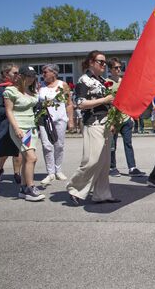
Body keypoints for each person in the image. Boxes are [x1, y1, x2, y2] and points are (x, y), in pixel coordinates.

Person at [67, 50, 120, 205]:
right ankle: (74, 188)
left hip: (105, 122)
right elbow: (80, 103)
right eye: (100, 62)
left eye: (105, 62)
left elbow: (109, 103)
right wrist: (105, 99)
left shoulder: (103, 81)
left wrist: (112, 121)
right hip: (93, 122)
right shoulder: (84, 81)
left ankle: (102, 194)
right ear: (91, 62)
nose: (104, 64)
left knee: (104, 163)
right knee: (91, 160)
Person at [3, 65, 44, 201]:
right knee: (32, 158)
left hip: (31, 128)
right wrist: (16, 128)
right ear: (21, 76)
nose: (31, 79)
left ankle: (23, 188)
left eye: (33, 76)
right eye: (28, 76)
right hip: (20, 128)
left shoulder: (31, 91)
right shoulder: (11, 91)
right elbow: (9, 111)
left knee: (27, 158)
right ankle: (30, 187)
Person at [106, 58, 145, 178]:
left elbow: (130, 99)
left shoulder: (124, 81)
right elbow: (106, 103)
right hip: (113, 119)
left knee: (128, 143)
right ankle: (112, 167)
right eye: (116, 68)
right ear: (110, 69)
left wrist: (132, 115)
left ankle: (132, 168)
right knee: (112, 145)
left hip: (125, 118)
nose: (118, 70)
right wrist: (110, 121)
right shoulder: (106, 83)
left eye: (120, 67)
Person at [38, 64, 75, 186]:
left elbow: (69, 103)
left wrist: (70, 121)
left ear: (54, 73)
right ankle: (50, 172)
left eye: (45, 72)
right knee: (46, 145)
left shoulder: (62, 85)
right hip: (44, 120)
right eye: (43, 72)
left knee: (59, 145)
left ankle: (58, 170)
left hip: (60, 119)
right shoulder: (40, 86)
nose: (43, 74)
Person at [0, 64, 22, 193]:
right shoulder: (0, 89)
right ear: (5, 74)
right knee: (1, 155)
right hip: (5, 125)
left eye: (18, 73)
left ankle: (17, 174)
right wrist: (13, 110)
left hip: (20, 124)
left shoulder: (20, 88)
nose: (17, 75)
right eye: (14, 73)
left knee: (20, 152)